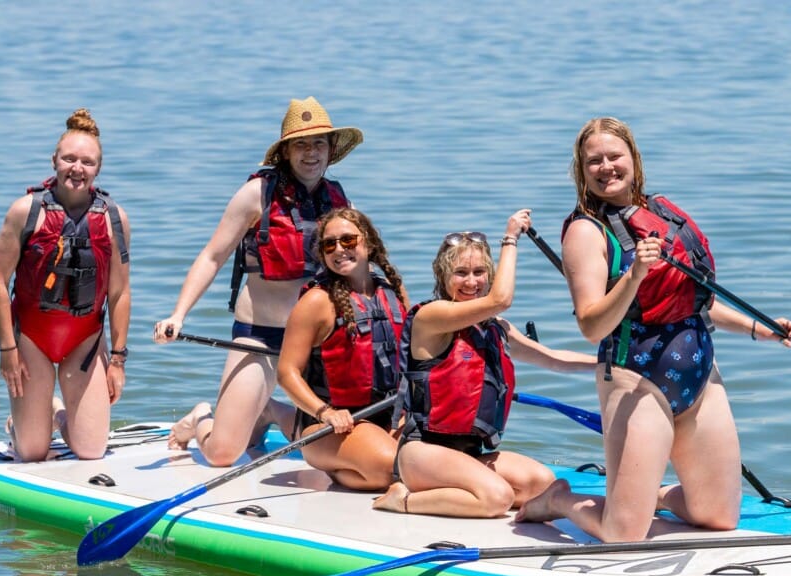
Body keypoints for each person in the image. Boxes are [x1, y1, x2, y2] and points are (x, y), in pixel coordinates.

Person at [516, 117, 791, 541]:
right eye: (594, 161)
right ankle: (559, 500)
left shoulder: (662, 214)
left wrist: (760, 329)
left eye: (615, 156)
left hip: (699, 373)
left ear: (634, 159)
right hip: (636, 379)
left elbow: (697, 303)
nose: (606, 167)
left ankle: (658, 494)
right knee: (623, 534)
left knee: (719, 517)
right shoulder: (585, 231)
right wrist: (634, 276)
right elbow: (592, 326)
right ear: (581, 170)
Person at [153, 97, 363, 467]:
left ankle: (268, 410)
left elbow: (358, 266)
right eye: (301, 144)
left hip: (314, 342)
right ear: (285, 151)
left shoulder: (338, 198)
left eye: (319, 144)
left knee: (335, 438)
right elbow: (213, 256)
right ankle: (199, 417)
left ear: (331, 150)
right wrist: (178, 315)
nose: (311, 153)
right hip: (260, 336)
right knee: (222, 454)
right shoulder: (257, 194)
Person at [375, 209, 598, 518]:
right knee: (498, 498)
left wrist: (608, 366)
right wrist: (510, 239)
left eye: (480, 272)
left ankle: (467, 489)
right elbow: (501, 299)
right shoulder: (433, 317)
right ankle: (401, 499)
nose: (472, 281)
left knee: (543, 483)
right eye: (461, 273)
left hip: (471, 453)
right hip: (423, 453)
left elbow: (553, 359)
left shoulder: (496, 328)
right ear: (443, 276)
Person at [0, 108, 131, 462]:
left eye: (87, 161)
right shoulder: (26, 211)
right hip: (31, 341)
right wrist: (8, 351)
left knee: (92, 450)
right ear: (54, 160)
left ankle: (57, 414)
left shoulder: (115, 219)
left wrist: (117, 360)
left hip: (84, 341)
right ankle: (30, 424)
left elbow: (120, 292)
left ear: (98, 168)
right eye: (69, 159)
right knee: (32, 452)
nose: (77, 168)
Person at [276, 208, 407, 491]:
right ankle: (273, 415)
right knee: (391, 470)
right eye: (329, 244)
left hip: (389, 416)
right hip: (330, 426)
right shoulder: (315, 302)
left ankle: (274, 413)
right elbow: (287, 372)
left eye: (348, 241)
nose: (339, 249)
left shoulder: (394, 291)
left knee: (430, 462)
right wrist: (326, 412)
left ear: (368, 243)